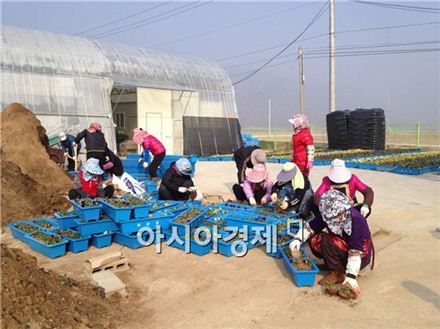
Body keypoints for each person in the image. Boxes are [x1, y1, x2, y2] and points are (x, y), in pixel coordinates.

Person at [290, 190, 374, 297]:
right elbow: (311, 227)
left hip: (361, 255)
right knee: (316, 238)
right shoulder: (328, 215)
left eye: (337, 215)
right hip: (343, 247)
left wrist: (351, 276)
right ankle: (334, 266)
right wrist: (297, 239)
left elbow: (356, 249)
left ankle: (338, 273)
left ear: (344, 209)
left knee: (326, 239)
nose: (334, 218)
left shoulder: (357, 220)